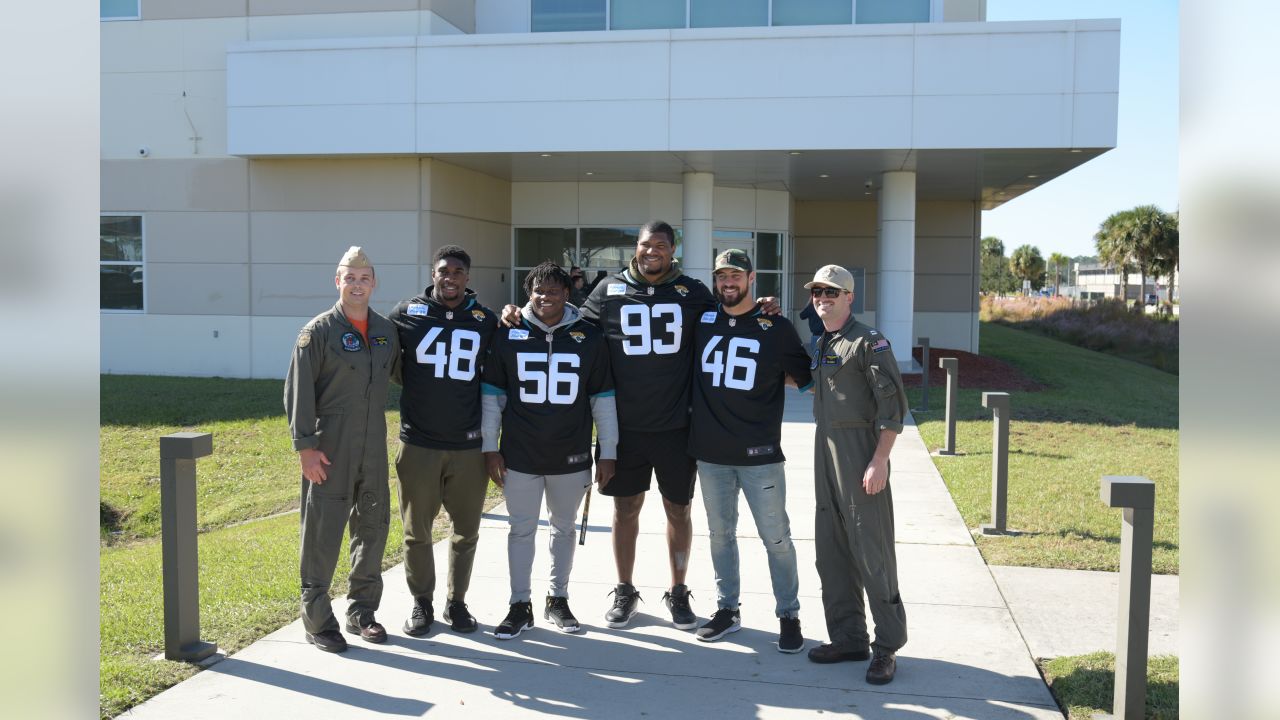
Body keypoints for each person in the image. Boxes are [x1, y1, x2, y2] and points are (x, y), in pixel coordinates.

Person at [480, 261, 618, 639]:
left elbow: (602, 399)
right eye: (538, 291)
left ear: (567, 294)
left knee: (564, 528)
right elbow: (493, 397)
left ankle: (557, 598)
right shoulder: (508, 333)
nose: (545, 297)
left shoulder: (589, 336)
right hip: (520, 454)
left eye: (553, 291)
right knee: (521, 530)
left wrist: (608, 451)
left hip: (570, 454)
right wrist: (490, 448)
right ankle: (518, 604)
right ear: (529, 294)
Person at [688, 249, 813, 653]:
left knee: (776, 538)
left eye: (736, 275)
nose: (728, 282)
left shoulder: (774, 326)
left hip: (760, 455)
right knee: (720, 535)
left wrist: (770, 379)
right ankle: (727, 610)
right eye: (722, 275)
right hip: (711, 453)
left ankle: (789, 614)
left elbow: (804, 379)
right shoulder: (701, 319)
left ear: (751, 278)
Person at [284, 246, 401, 653]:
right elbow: (298, 392)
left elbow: (404, 375)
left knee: (372, 528)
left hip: (372, 447)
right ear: (338, 281)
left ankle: (362, 612)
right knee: (322, 532)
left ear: (374, 283)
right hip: (330, 448)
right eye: (349, 277)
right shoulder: (317, 332)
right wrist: (305, 448)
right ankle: (317, 619)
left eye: (364, 278)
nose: (356, 284)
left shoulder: (387, 331)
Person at [805, 264, 909, 685]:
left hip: (859, 454)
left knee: (872, 551)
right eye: (817, 292)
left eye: (832, 292)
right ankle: (849, 638)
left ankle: (887, 646)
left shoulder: (869, 342)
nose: (823, 298)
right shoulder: (823, 341)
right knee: (831, 550)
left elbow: (892, 409)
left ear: (850, 297)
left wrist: (879, 460)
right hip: (824, 452)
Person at [389, 245, 499, 636]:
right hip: (418, 441)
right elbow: (391, 365)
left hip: (468, 445)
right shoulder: (406, 314)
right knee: (415, 531)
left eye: (457, 271)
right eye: (443, 270)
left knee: (466, 530)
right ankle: (422, 602)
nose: (449, 277)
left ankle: (457, 602)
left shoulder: (487, 319)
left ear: (468, 278)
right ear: (432, 273)